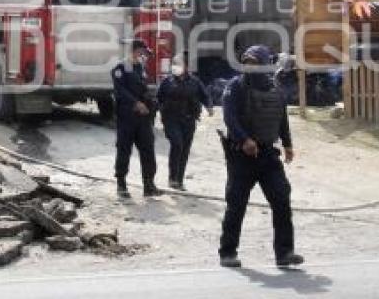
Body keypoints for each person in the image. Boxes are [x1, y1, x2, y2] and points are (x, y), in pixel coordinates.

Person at [218, 44, 304, 269]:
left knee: (282, 199)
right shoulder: (235, 86)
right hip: (242, 157)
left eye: (254, 63)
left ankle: (285, 253)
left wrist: (287, 144)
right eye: (246, 62)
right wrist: (245, 139)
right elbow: (229, 117)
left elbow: (281, 117)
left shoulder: (274, 87)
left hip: (267, 156)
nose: (249, 66)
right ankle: (228, 252)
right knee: (236, 205)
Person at [112, 39, 162, 198]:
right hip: (127, 117)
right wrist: (136, 103)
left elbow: (142, 89)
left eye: (145, 54)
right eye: (142, 52)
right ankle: (121, 185)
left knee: (148, 150)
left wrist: (151, 102)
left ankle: (149, 185)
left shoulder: (140, 68)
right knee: (124, 150)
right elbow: (120, 91)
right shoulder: (120, 68)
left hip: (143, 118)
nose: (144, 56)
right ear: (134, 51)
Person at [157, 53, 212, 191]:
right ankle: (172, 177)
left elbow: (205, 95)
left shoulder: (195, 81)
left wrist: (209, 106)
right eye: (174, 64)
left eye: (179, 64)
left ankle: (179, 180)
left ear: (186, 66)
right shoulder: (167, 81)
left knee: (185, 149)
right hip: (171, 119)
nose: (176, 67)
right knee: (177, 144)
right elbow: (158, 98)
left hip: (189, 119)